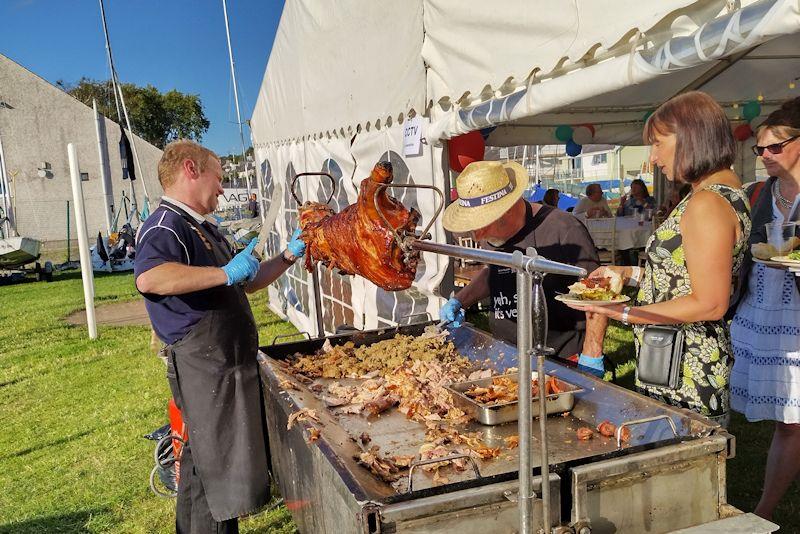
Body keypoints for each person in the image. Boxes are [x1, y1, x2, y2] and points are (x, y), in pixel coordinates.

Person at [134, 140, 306, 533]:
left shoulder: (204, 227)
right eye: (219, 177)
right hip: (204, 367)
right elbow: (151, 277)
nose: (224, 189)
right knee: (217, 465)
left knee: (207, 461)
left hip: (225, 364)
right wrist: (224, 272)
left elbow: (246, 281)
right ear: (191, 170)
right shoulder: (166, 225)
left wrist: (287, 257)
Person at [566, 91, 751, 424]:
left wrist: (622, 313)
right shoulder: (724, 191)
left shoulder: (707, 202)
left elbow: (710, 302)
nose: (652, 157)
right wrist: (629, 273)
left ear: (691, 138)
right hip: (678, 359)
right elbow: (687, 270)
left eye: (658, 143)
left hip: (685, 368)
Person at [439, 160, 606, 364]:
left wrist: (592, 354)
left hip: (560, 357)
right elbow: (494, 272)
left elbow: (598, 294)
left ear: (508, 209)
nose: (477, 236)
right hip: (505, 352)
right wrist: (460, 300)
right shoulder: (493, 235)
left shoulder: (564, 229)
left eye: (482, 224)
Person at [729, 96, 800, 520]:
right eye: (760, 149)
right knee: (784, 417)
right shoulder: (758, 192)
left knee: (793, 419)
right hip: (761, 311)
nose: (765, 156)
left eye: (775, 147)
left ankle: (766, 507)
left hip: (796, 317)